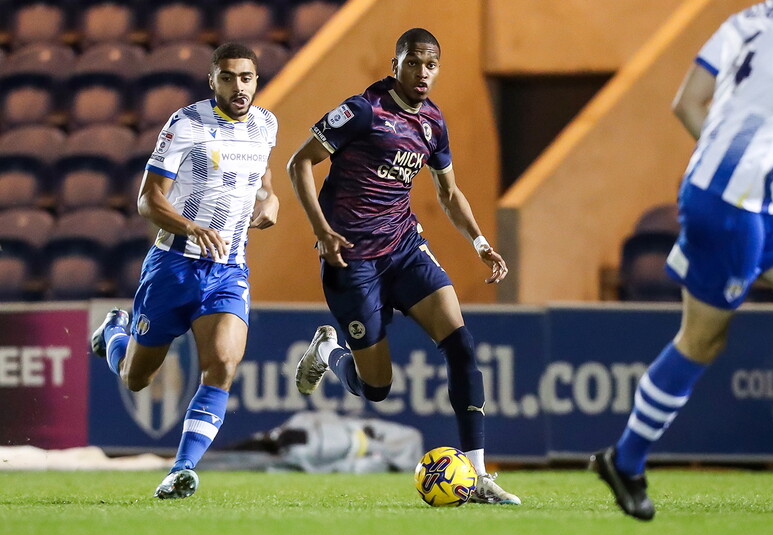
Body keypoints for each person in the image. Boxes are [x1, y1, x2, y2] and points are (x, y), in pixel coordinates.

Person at [592, 0, 773, 521]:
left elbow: (687, 104)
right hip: (733, 203)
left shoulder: (750, 17)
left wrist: (729, 159)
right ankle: (625, 459)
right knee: (702, 339)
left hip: (756, 193)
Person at [287, 28, 518, 505]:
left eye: (431, 65)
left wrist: (479, 241)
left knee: (462, 346)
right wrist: (322, 229)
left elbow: (449, 194)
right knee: (376, 388)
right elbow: (299, 163)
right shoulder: (362, 111)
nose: (422, 73)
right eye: (413, 63)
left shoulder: (433, 122)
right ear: (395, 65)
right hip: (351, 260)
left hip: (404, 249)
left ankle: (475, 475)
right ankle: (328, 352)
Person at [90, 43, 280, 499]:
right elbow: (147, 200)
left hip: (229, 270)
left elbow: (264, 179)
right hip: (174, 266)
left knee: (223, 365)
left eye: (247, 78)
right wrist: (191, 225)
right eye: (229, 77)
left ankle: (181, 469)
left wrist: (270, 201)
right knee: (137, 378)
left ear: (256, 80)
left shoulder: (265, 124)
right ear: (212, 80)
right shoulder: (187, 124)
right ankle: (115, 333)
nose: (240, 87)